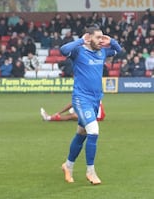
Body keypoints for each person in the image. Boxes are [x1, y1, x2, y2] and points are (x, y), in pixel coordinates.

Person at [59, 27, 121, 185]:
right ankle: (90, 171)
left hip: (95, 100)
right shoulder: (79, 51)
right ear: (89, 37)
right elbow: (63, 49)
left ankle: (68, 166)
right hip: (81, 99)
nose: (101, 40)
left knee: (81, 134)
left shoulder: (102, 52)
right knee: (93, 131)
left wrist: (110, 41)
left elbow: (118, 50)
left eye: (102, 37)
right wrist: (81, 40)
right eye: (98, 37)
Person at [40, 101, 106, 122]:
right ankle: (51, 116)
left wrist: (60, 112)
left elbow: (73, 103)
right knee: (74, 113)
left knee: (73, 115)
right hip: (99, 115)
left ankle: (49, 118)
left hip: (95, 116)